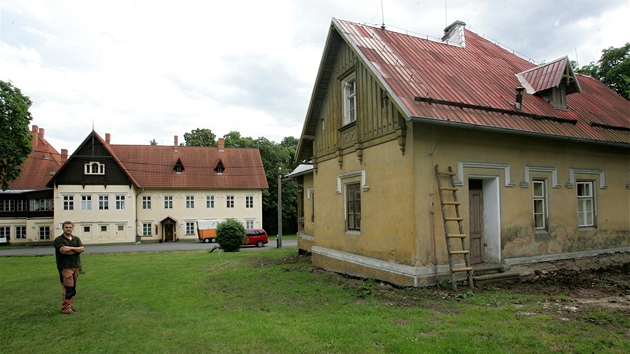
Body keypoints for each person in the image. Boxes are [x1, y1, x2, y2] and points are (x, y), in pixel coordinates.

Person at [54, 221, 85, 314]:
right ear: (63, 228)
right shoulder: (59, 240)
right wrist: (76, 250)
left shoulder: (76, 239)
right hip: (65, 266)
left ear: (73, 228)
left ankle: (70, 305)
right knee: (68, 287)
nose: (68, 229)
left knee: (73, 288)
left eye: (70, 227)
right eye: (66, 227)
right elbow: (64, 251)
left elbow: (82, 249)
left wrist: (71, 248)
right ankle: (65, 308)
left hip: (75, 266)